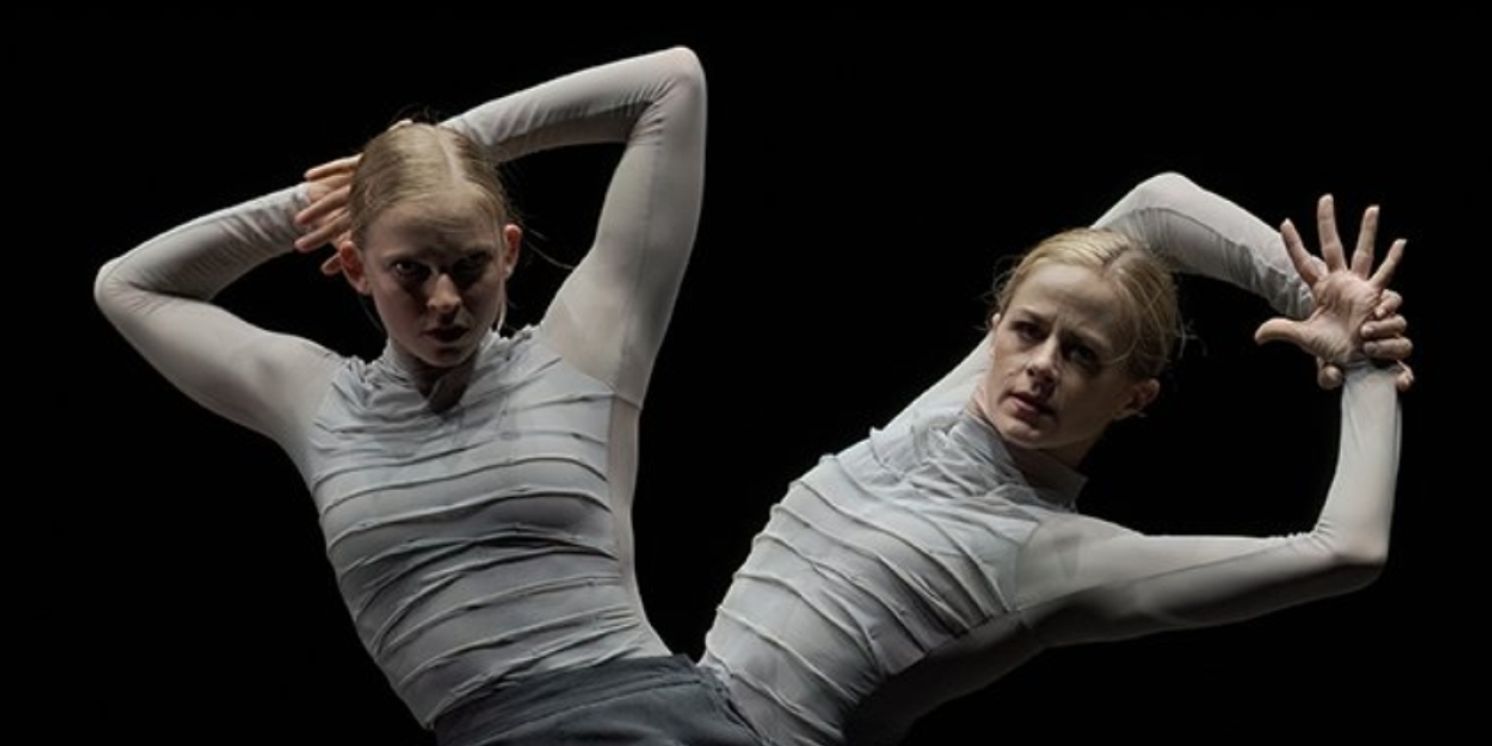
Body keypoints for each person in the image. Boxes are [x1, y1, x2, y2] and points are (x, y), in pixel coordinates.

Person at [94, 47, 763, 745]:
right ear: (354, 265)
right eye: (409, 271)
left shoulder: (582, 352)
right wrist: (359, 189)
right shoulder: (318, 402)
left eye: (469, 266)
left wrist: (445, 147)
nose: (444, 301)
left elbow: (672, 83)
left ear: (507, 253)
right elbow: (127, 285)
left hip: (646, 717)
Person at [700, 172, 1412, 746]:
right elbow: (1156, 206)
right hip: (653, 709)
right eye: (1030, 331)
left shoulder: (1054, 555)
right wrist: (1310, 293)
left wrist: (1362, 362)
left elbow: (1348, 550)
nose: (1042, 366)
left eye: (1082, 356)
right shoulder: (950, 411)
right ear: (997, 328)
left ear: (1134, 400)